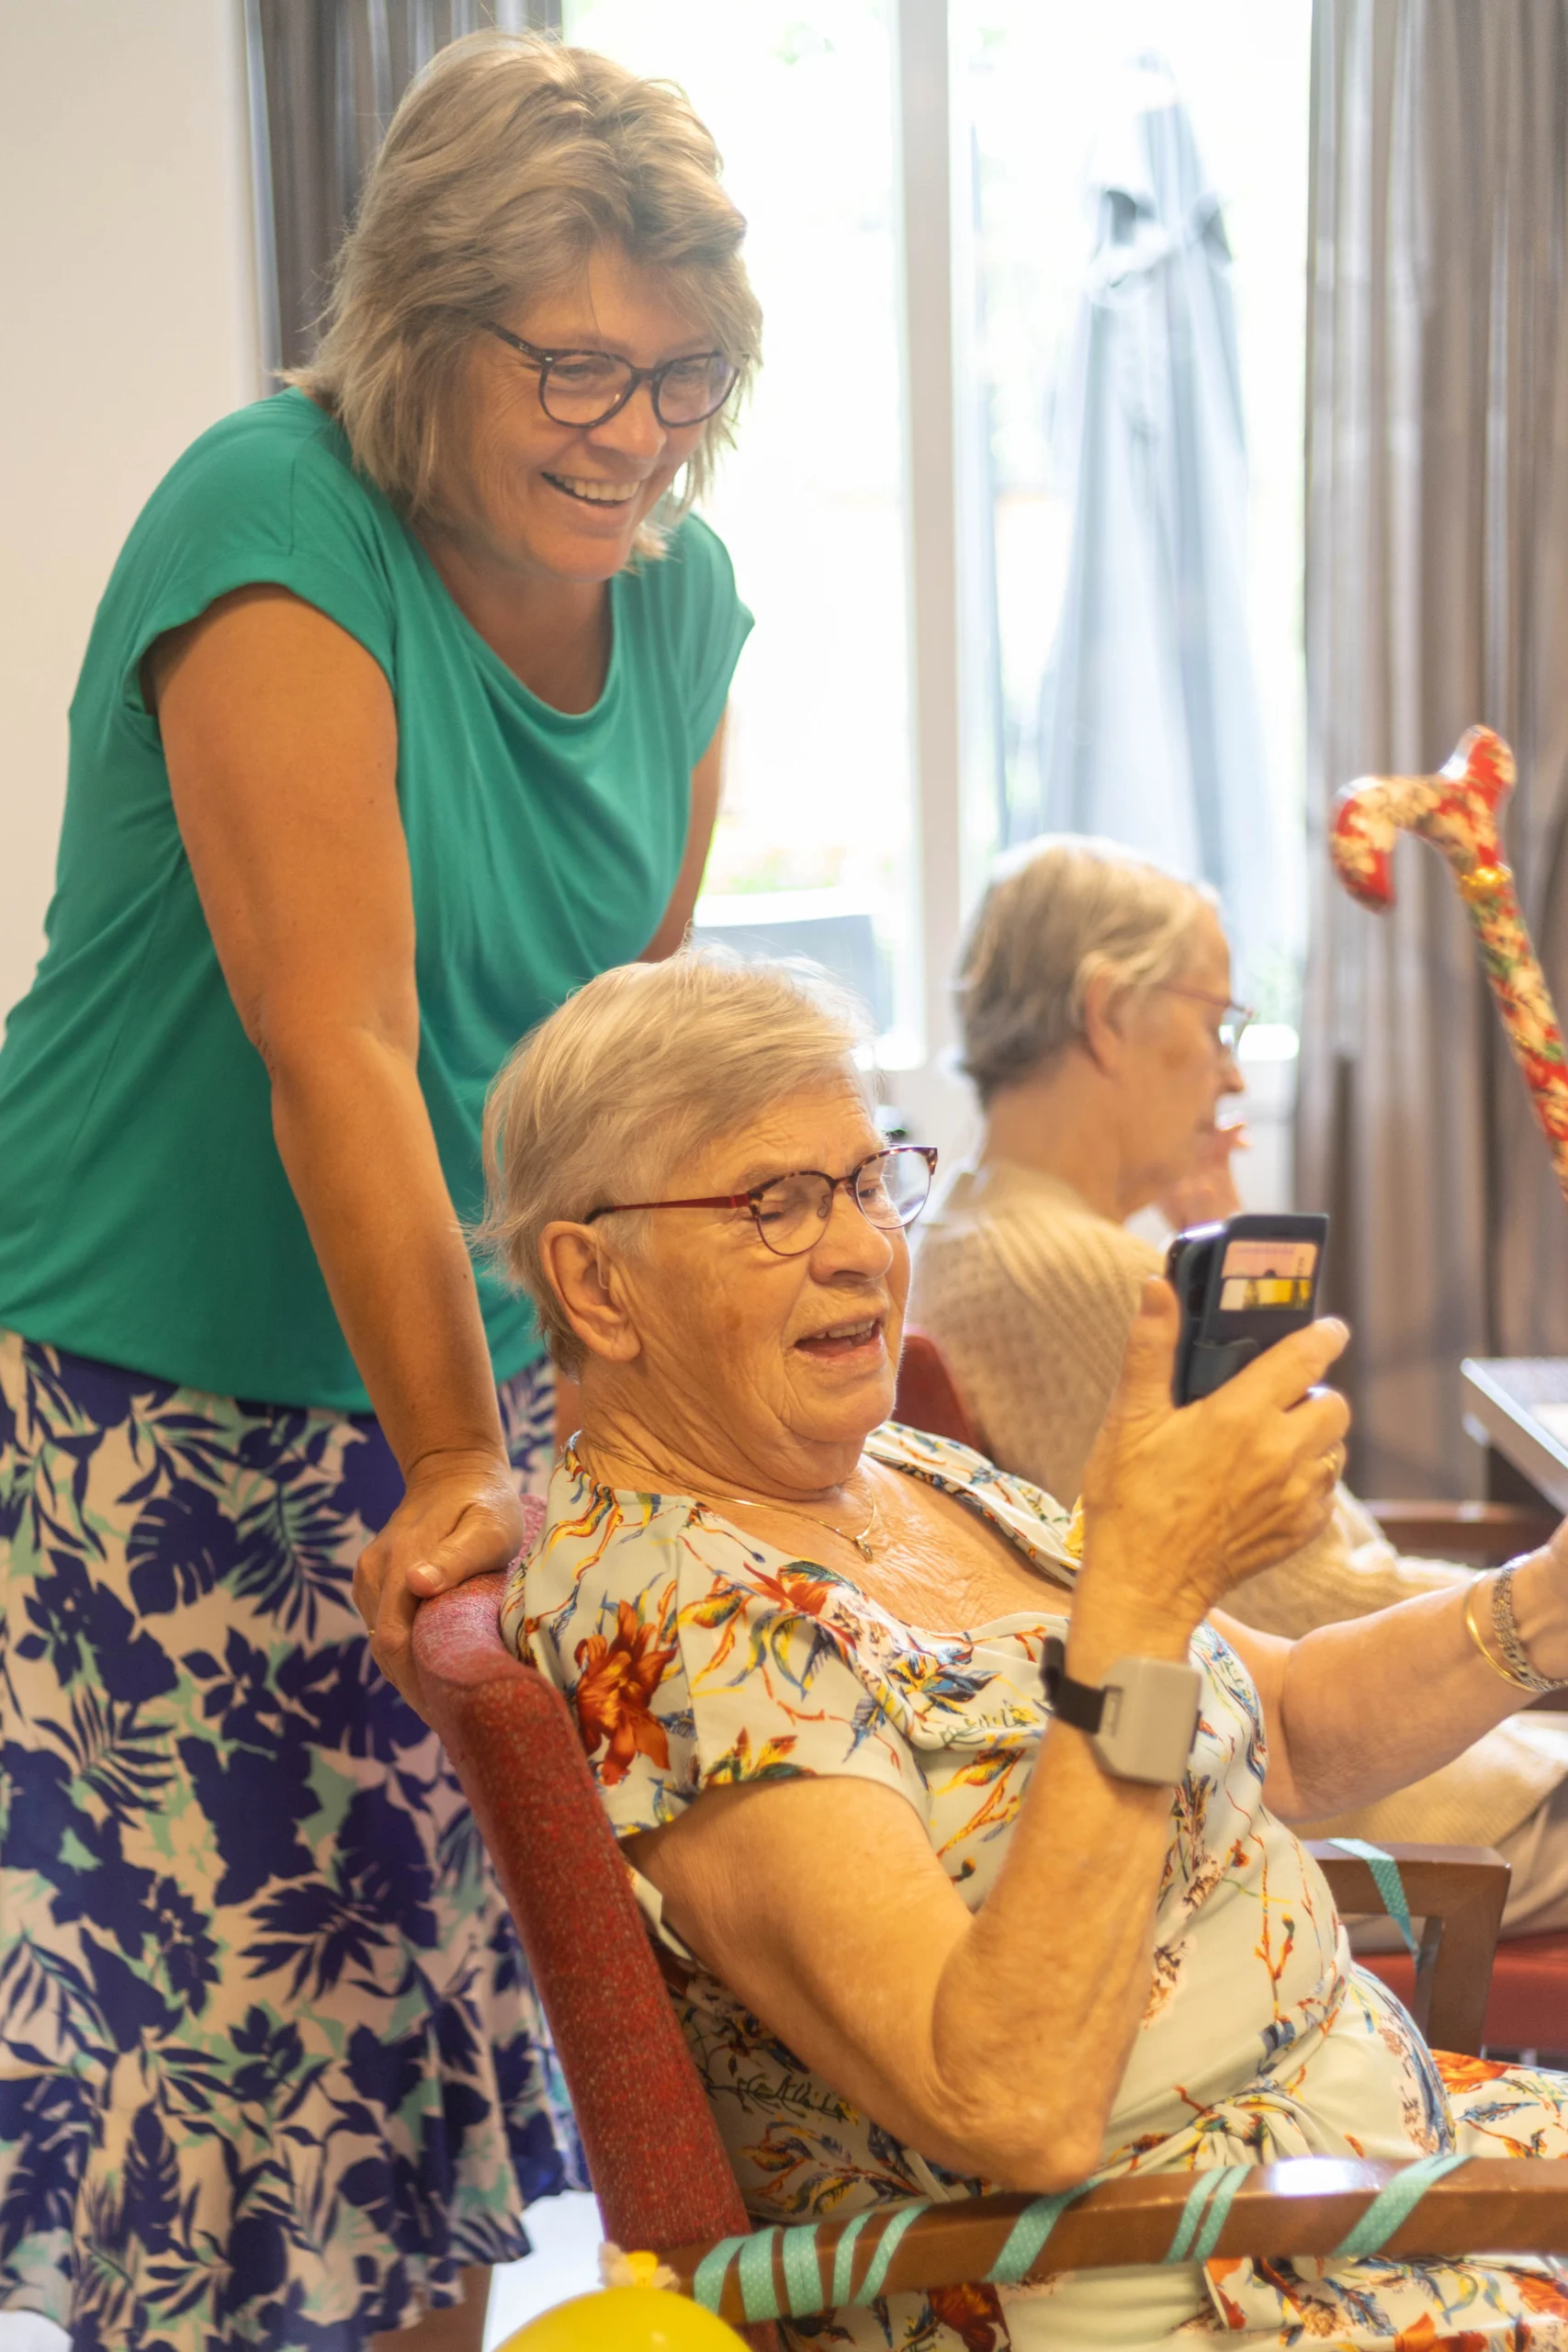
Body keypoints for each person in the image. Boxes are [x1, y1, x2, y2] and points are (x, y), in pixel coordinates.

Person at [0, 32, 760, 2350]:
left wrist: (611, 1414)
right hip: (156, 1394)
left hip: (473, 1402)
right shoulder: (272, 516)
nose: (632, 432)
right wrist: (450, 1454)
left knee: (427, 2065)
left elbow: (600, 1066)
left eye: (680, 374)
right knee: (227, 2113)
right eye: (572, 367)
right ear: (423, 327)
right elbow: (336, 1044)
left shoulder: (682, 598)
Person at [474, 948, 1568, 2351]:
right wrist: (1140, 1604)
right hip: (1181, 2270)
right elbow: (1007, 2103)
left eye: (867, 1179)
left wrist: (1541, 1604)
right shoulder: (679, 1622)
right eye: (772, 1203)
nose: (860, 1246)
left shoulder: (905, 1470)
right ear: (594, 1284)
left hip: (1375, 2157)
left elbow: (1287, 1726)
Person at [908, 834, 1568, 1939]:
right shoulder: (1091, 1278)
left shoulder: (986, 1227)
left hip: (1324, 1738)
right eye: (1219, 1023)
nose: (1231, 1074)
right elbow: (1299, 1608)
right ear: (1107, 1013)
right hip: (1366, 1783)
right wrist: (1537, 1604)